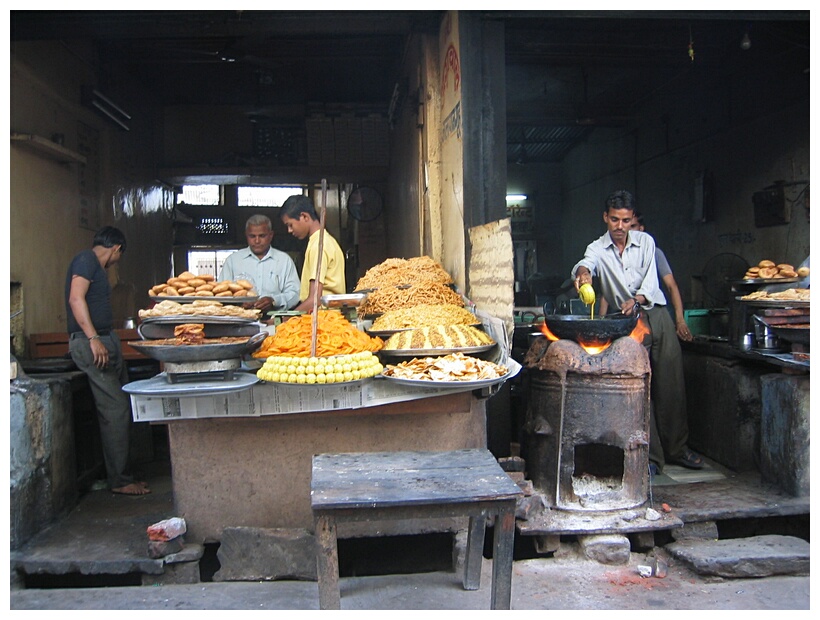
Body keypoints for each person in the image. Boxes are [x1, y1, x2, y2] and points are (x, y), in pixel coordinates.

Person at [572, 190, 703, 475]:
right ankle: (651, 457)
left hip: (656, 315)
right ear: (606, 218)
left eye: (627, 220)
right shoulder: (597, 248)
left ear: (633, 220)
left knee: (671, 384)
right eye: (615, 220)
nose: (621, 227)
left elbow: (652, 283)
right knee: (638, 386)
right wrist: (583, 275)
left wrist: (639, 300)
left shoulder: (646, 242)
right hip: (626, 323)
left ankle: (678, 449)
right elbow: (585, 264)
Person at [65, 226, 149, 496]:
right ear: (117, 249)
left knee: (125, 403)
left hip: (105, 338)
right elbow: (76, 298)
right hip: (90, 342)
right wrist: (93, 339)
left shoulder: (96, 268)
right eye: (119, 255)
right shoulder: (86, 260)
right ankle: (120, 480)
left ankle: (124, 472)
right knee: (115, 410)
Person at [598, 211, 693, 342]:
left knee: (668, 359)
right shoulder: (613, 254)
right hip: (628, 317)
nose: (627, 230)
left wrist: (680, 321)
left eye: (633, 226)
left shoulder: (655, 253)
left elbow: (671, 286)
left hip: (655, 314)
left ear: (641, 229)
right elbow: (607, 292)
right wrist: (599, 325)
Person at [219, 214, 301, 315]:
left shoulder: (284, 261)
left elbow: (295, 294)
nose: (257, 241)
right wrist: (238, 302)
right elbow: (221, 293)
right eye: (252, 236)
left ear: (271, 235)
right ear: (246, 235)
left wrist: (274, 301)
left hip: (273, 321)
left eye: (262, 236)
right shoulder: (233, 261)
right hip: (239, 320)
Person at [280, 195, 346, 312]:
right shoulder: (327, 240)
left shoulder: (319, 245)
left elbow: (315, 300)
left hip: (323, 318)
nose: (289, 230)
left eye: (290, 225)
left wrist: (285, 318)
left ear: (304, 216)